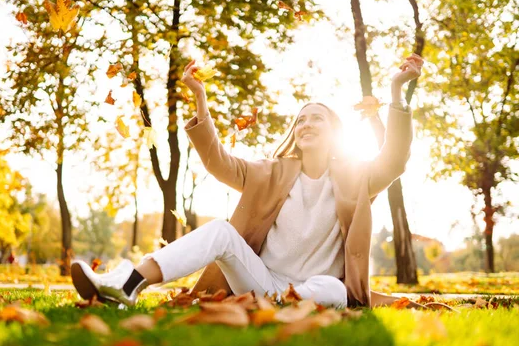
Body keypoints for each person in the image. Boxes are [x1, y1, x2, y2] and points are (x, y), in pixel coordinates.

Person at [71, 54, 424, 308]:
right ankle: (127, 284)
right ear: (295, 133)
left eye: (317, 119)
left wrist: (395, 91)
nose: (306, 125)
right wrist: (199, 96)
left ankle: (276, 308)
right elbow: (218, 161)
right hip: (262, 283)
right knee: (221, 232)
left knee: (333, 288)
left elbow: (394, 158)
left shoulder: (356, 179)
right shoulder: (269, 172)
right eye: (300, 121)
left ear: (335, 133)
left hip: (315, 290)